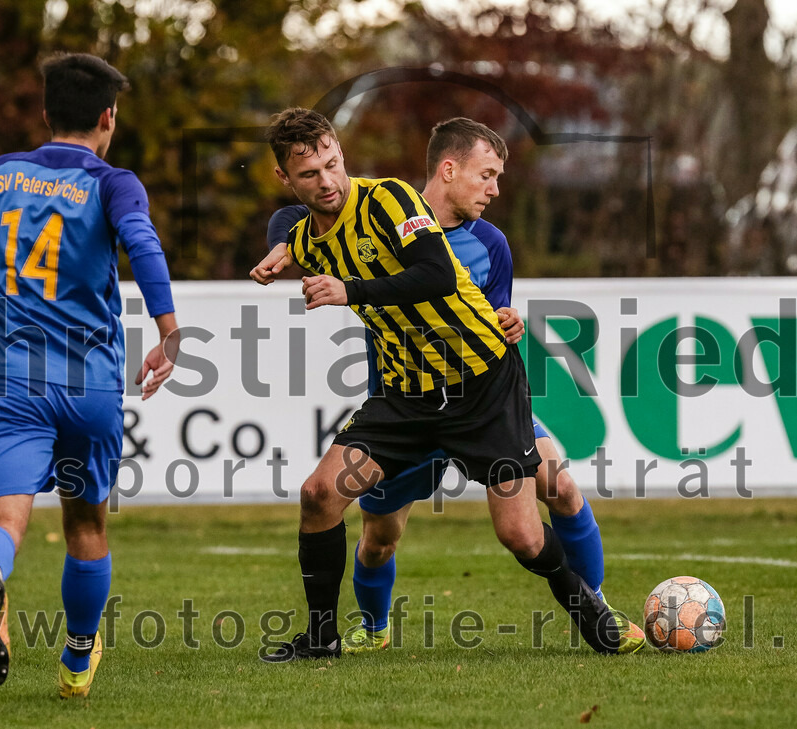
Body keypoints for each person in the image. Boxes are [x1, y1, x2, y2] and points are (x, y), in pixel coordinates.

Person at [250, 108, 631, 662]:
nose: (328, 182)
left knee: (522, 537)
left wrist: (348, 292)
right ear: (286, 179)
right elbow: (292, 227)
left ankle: (585, 604)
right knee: (319, 495)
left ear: (342, 153)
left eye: (333, 164)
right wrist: (278, 247)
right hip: (405, 397)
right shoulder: (305, 237)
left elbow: (436, 273)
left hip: (483, 389)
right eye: (310, 175)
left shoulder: (390, 200)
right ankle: (322, 637)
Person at [0, 53, 179, 697]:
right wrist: (169, 332)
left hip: (12, 383)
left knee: (6, 522)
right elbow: (144, 246)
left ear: (46, 114)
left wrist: (5, 299)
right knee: (87, 527)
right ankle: (75, 660)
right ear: (108, 116)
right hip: (90, 385)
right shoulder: (113, 182)